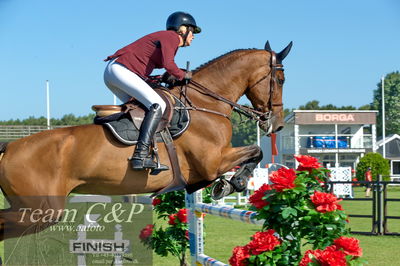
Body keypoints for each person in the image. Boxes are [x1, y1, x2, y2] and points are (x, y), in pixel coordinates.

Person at [103, 11, 201, 171]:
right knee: (158, 104)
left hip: (115, 72)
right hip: (121, 70)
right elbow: (170, 65)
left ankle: (132, 148)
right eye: (193, 31)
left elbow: (152, 71)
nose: (193, 36)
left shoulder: (166, 39)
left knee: (139, 109)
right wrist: (183, 75)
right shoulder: (171, 37)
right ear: (182, 29)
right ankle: (140, 156)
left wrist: (161, 77)